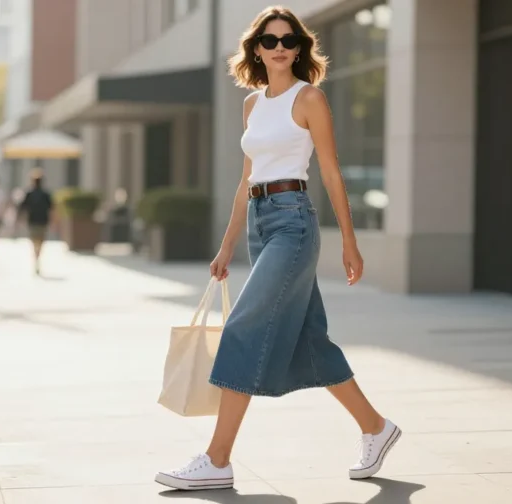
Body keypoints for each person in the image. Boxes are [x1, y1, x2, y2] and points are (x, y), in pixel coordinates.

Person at [155, 6, 400, 491]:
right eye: (270, 40)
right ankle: (377, 427)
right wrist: (227, 245)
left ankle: (217, 458)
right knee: (311, 343)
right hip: (261, 226)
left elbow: (330, 171)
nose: (281, 47)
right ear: (256, 49)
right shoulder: (252, 105)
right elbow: (247, 179)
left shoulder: (309, 97)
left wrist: (349, 241)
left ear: (300, 47)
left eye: (290, 40)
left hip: (294, 224)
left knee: (243, 328)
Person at [18, 169, 53, 274]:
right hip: (43, 221)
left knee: (35, 241)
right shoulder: (45, 194)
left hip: (33, 221)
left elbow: (22, 208)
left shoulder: (29, 193)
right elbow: (52, 209)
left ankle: (36, 257)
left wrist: (20, 219)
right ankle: (37, 257)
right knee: (40, 241)